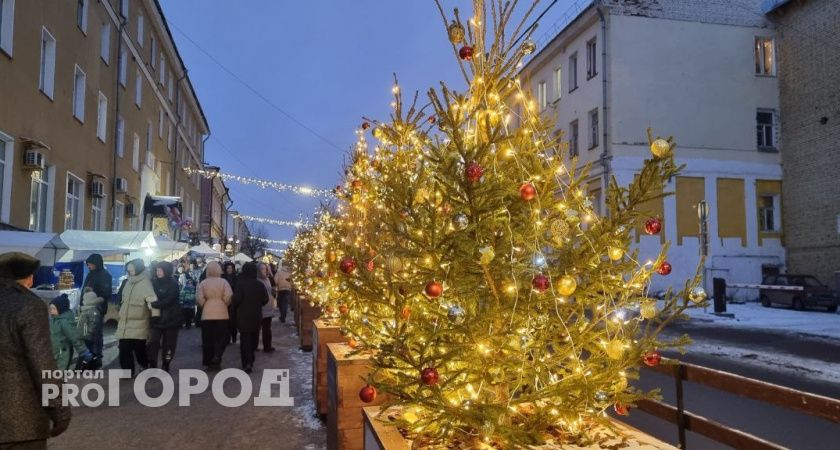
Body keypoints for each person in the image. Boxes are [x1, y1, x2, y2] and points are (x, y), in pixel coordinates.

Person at [0, 252, 71, 447]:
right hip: (20, 424)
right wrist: (60, 409)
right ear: (29, 278)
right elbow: (42, 363)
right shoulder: (29, 305)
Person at [115, 259, 154, 376]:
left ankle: (144, 366)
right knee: (123, 349)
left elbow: (152, 301)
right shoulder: (127, 283)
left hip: (139, 322)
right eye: (128, 269)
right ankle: (127, 372)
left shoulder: (146, 283)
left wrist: (155, 317)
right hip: (125, 323)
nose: (129, 271)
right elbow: (123, 299)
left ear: (138, 269)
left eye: (131, 269)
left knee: (139, 348)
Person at [231, 262, 268, 373]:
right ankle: (251, 357)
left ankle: (247, 362)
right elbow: (265, 299)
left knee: (244, 339)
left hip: (243, 315)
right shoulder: (259, 284)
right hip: (256, 315)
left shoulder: (240, 284)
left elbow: (236, 300)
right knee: (253, 337)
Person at [196, 261, 233, 370]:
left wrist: (204, 304)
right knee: (220, 337)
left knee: (208, 339)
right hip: (222, 313)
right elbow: (228, 295)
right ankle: (217, 356)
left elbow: (199, 297)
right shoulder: (224, 282)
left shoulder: (203, 283)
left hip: (207, 313)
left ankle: (209, 361)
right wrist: (224, 303)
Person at [147, 262, 181, 372]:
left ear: (166, 271)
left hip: (171, 319)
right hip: (156, 318)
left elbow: (170, 300)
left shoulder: (173, 283)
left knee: (169, 345)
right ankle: (152, 363)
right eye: (157, 270)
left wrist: (154, 304)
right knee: (153, 342)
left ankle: (166, 363)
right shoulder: (153, 282)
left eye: (160, 270)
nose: (158, 272)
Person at [49, 295, 92, 370]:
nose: (51, 311)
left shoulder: (65, 322)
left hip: (63, 352)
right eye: (50, 308)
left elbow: (74, 337)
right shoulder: (54, 319)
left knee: (60, 370)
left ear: (61, 309)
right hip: (55, 350)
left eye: (54, 309)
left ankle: (59, 380)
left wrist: (83, 351)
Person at [82, 253, 111, 358]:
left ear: (97, 264)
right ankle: (89, 355)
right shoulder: (91, 274)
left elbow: (106, 294)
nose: (89, 266)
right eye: (88, 264)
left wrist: (93, 300)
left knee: (96, 334)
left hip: (97, 309)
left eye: (91, 264)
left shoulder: (105, 275)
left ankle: (97, 356)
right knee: (87, 333)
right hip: (87, 309)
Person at [256, 263, 276, 352]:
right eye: (263, 269)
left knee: (267, 329)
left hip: (268, 307)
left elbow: (272, 286)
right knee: (257, 329)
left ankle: (267, 346)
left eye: (266, 269)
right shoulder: (257, 280)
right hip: (260, 307)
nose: (265, 271)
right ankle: (254, 346)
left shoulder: (268, 279)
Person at [221, 261, 239, 343]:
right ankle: (227, 338)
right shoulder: (222, 277)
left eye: (231, 268)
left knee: (233, 321)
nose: (230, 269)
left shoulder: (235, 277)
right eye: (228, 268)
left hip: (234, 301)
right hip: (225, 301)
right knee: (226, 321)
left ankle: (234, 336)